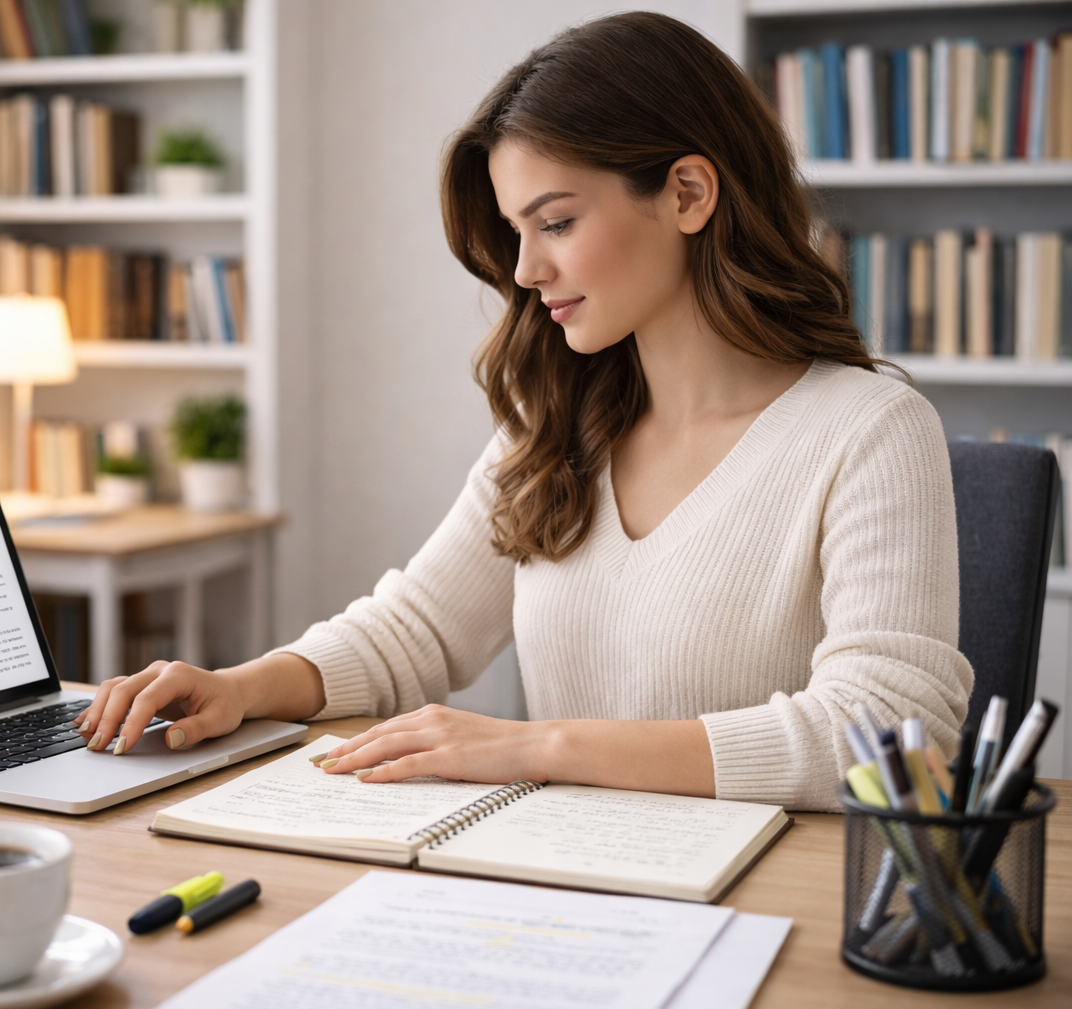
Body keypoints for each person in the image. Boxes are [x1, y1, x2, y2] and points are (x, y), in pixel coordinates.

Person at [72, 12, 970, 811]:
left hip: (770, 906)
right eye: (515, 233)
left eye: (557, 223)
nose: (526, 271)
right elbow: (417, 628)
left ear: (690, 194)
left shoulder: (868, 430)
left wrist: (537, 746)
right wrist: (243, 684)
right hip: (562, 880)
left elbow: (896, 732)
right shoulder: (554, 425)